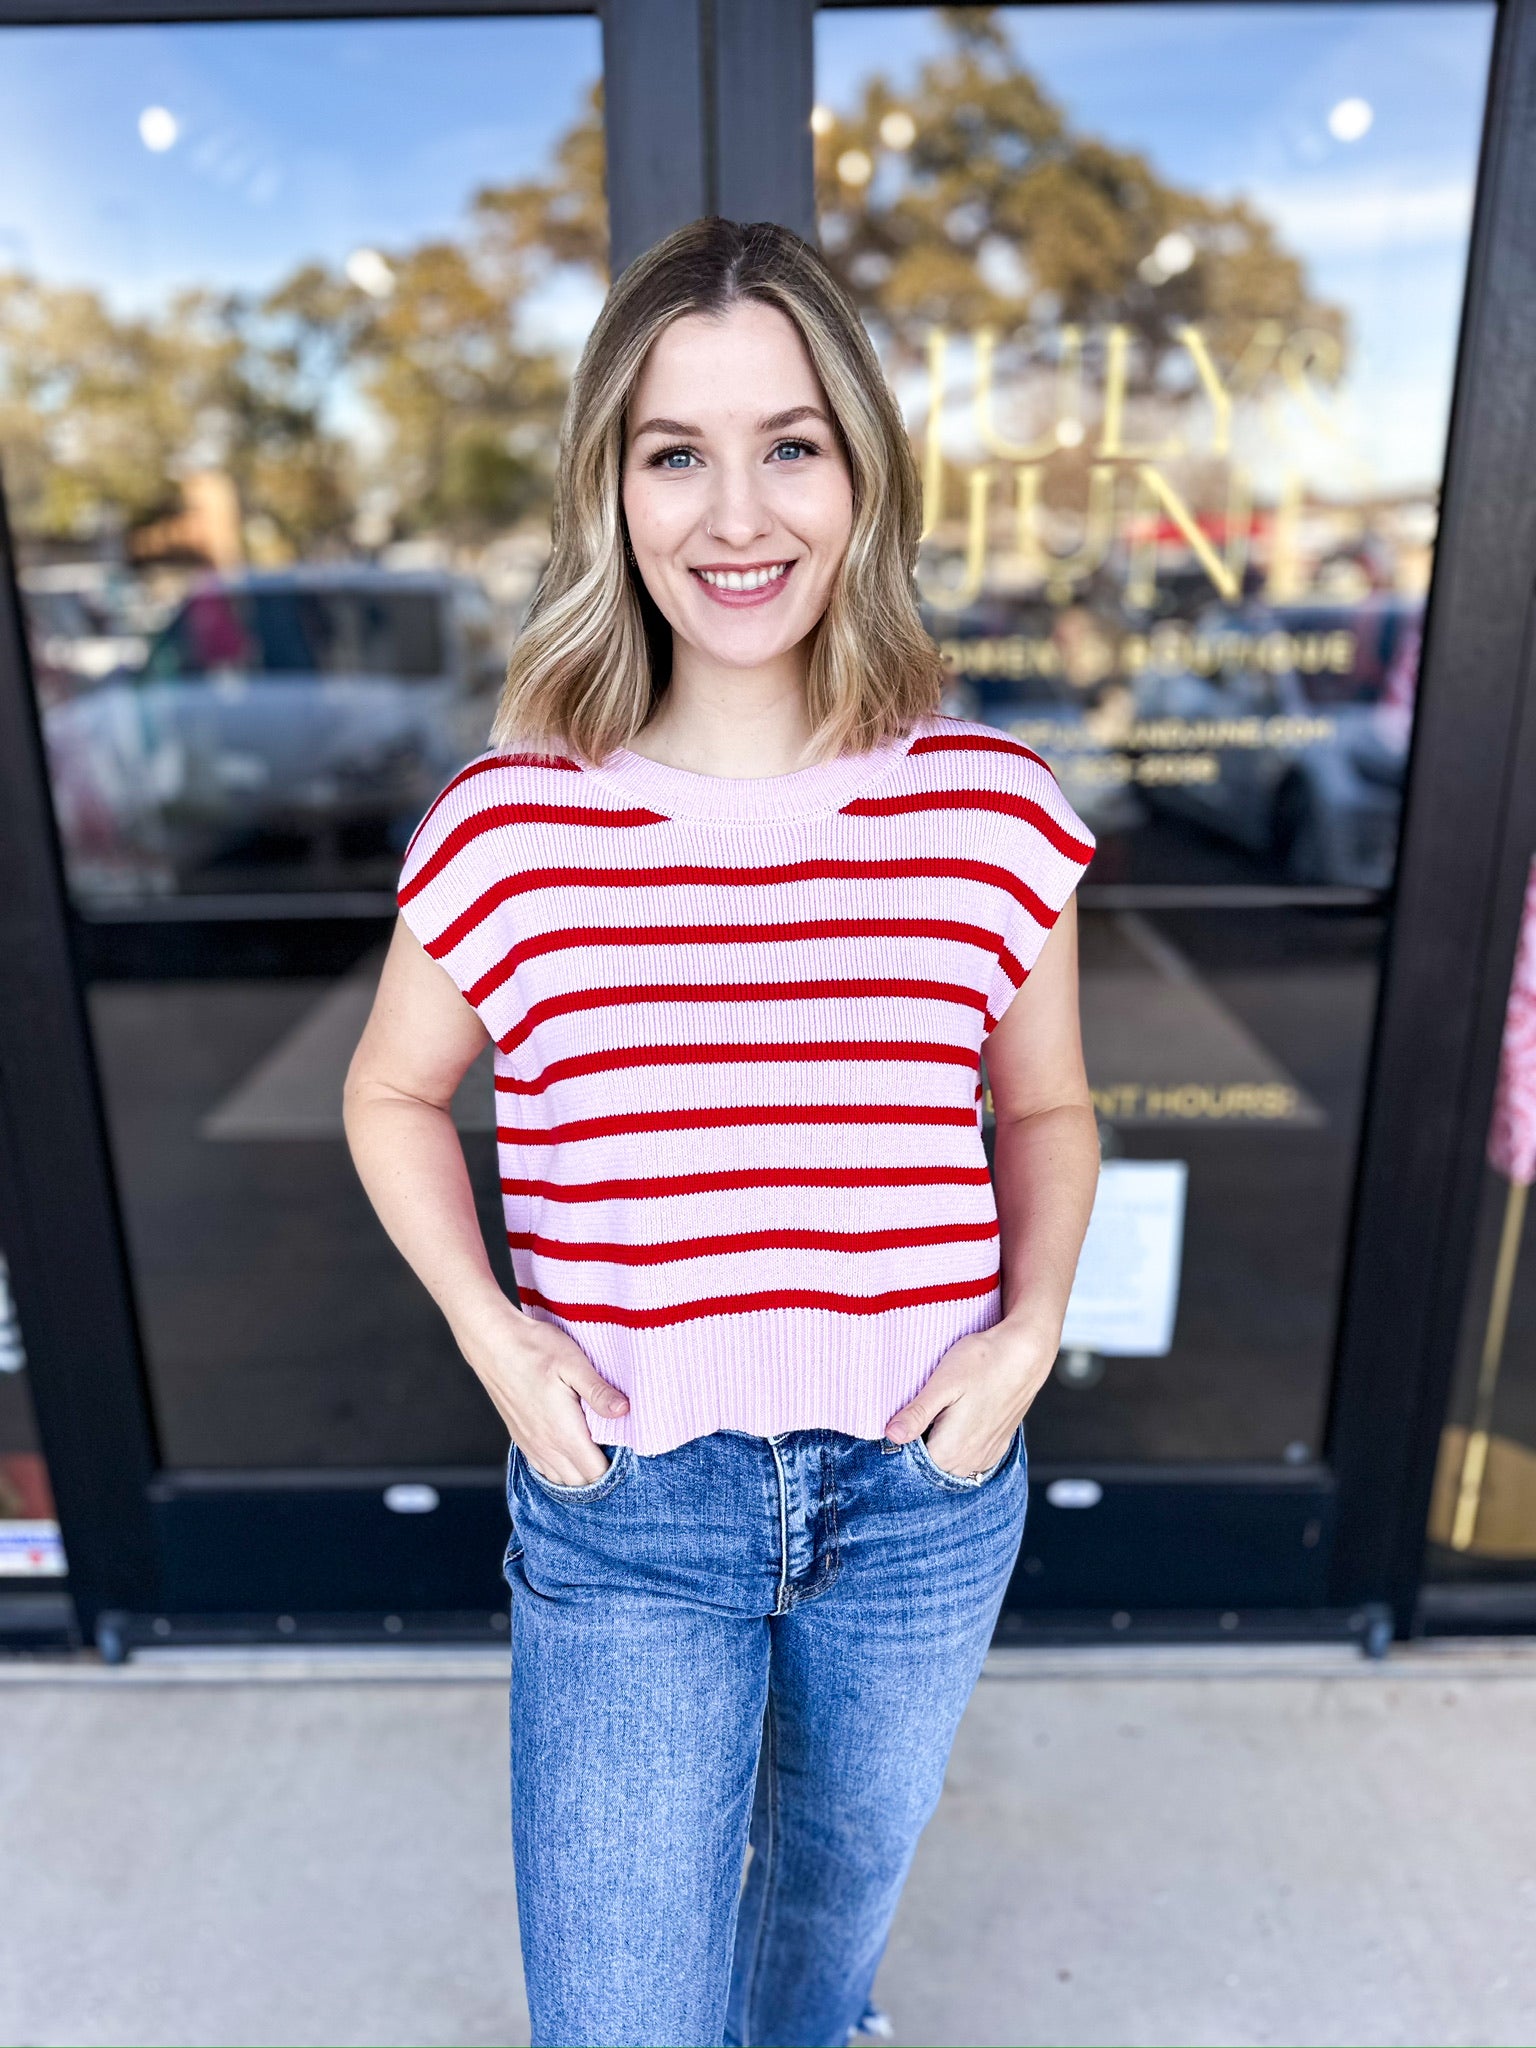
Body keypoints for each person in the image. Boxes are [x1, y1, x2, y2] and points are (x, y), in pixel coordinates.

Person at [344, 217, 1101, 2048]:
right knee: (617, 2017)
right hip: (629, 1507)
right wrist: (493, 1334)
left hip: (922, 1485)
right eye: (677, 452)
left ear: (861, 474)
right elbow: (388, 1092)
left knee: (820, 1952)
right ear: (614, 486)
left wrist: (1028, 1336)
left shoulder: (991, 810)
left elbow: (1050, 1106)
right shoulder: (512, 827)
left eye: (791, 445)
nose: (735, 513)